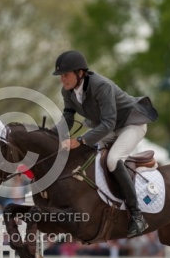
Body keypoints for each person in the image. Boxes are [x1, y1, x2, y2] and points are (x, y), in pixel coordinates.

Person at [53, 49, 159, 238]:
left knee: (112, 160)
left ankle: (137, 216)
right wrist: (52, 136)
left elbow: (108, 122)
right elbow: (68, 118)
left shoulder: (101, 86)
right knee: (88, 158)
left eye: (66, 75)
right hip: (108, 128)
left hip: (130, 124)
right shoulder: (67, 91)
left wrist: (81, 140)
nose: (63, 79)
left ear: (80, 73)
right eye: (61, 76)